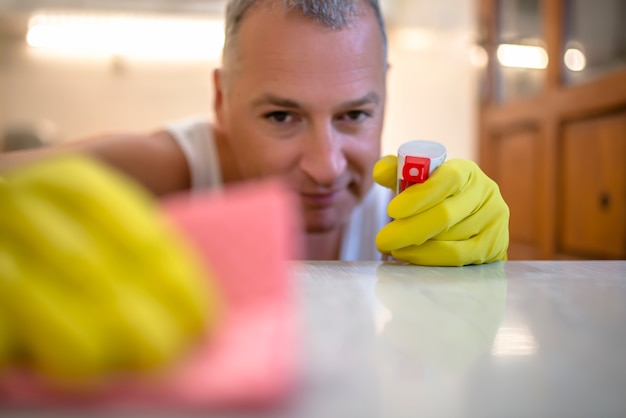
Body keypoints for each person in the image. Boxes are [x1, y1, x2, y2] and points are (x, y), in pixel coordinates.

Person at [0, 0, 509, 265]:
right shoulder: (175, 170)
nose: (326, 165)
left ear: (384, 96)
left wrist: (479, 277)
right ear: (221, 100)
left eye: (353, 115)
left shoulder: (411, 213)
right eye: (281, 117)